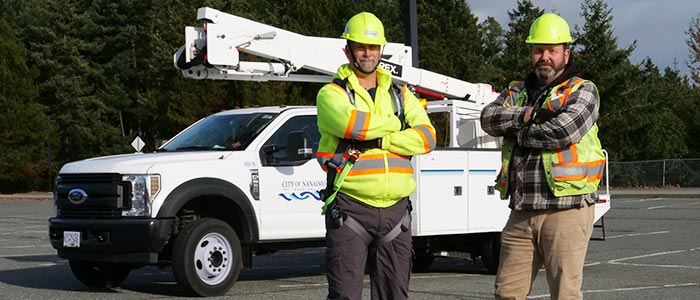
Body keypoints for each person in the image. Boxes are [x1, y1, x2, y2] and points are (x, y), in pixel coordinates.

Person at [480, 13, 605, 300]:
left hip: (567, 210)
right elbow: (488, 118)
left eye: (552, 50)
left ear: (566, 53)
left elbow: (561, 132)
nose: (544, 57)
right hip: (522, 211)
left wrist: (516, 132)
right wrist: (529, 114)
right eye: (538, 50)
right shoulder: (517, 90)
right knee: (506, 293)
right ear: (531, 53)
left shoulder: (582, 90)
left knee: (564, 294)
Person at [316, 12, 436, 300]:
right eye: (360, 46)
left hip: (396, 213)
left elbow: (428, 138)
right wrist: (397, 124)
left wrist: (381, 137)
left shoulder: (400, 93)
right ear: (348, 50)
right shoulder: (331, 94)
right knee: (345, 296)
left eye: (373, 47)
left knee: (395, 295)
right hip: (350, 210)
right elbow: (350, 125)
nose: (367, 53)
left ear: (381, 49)